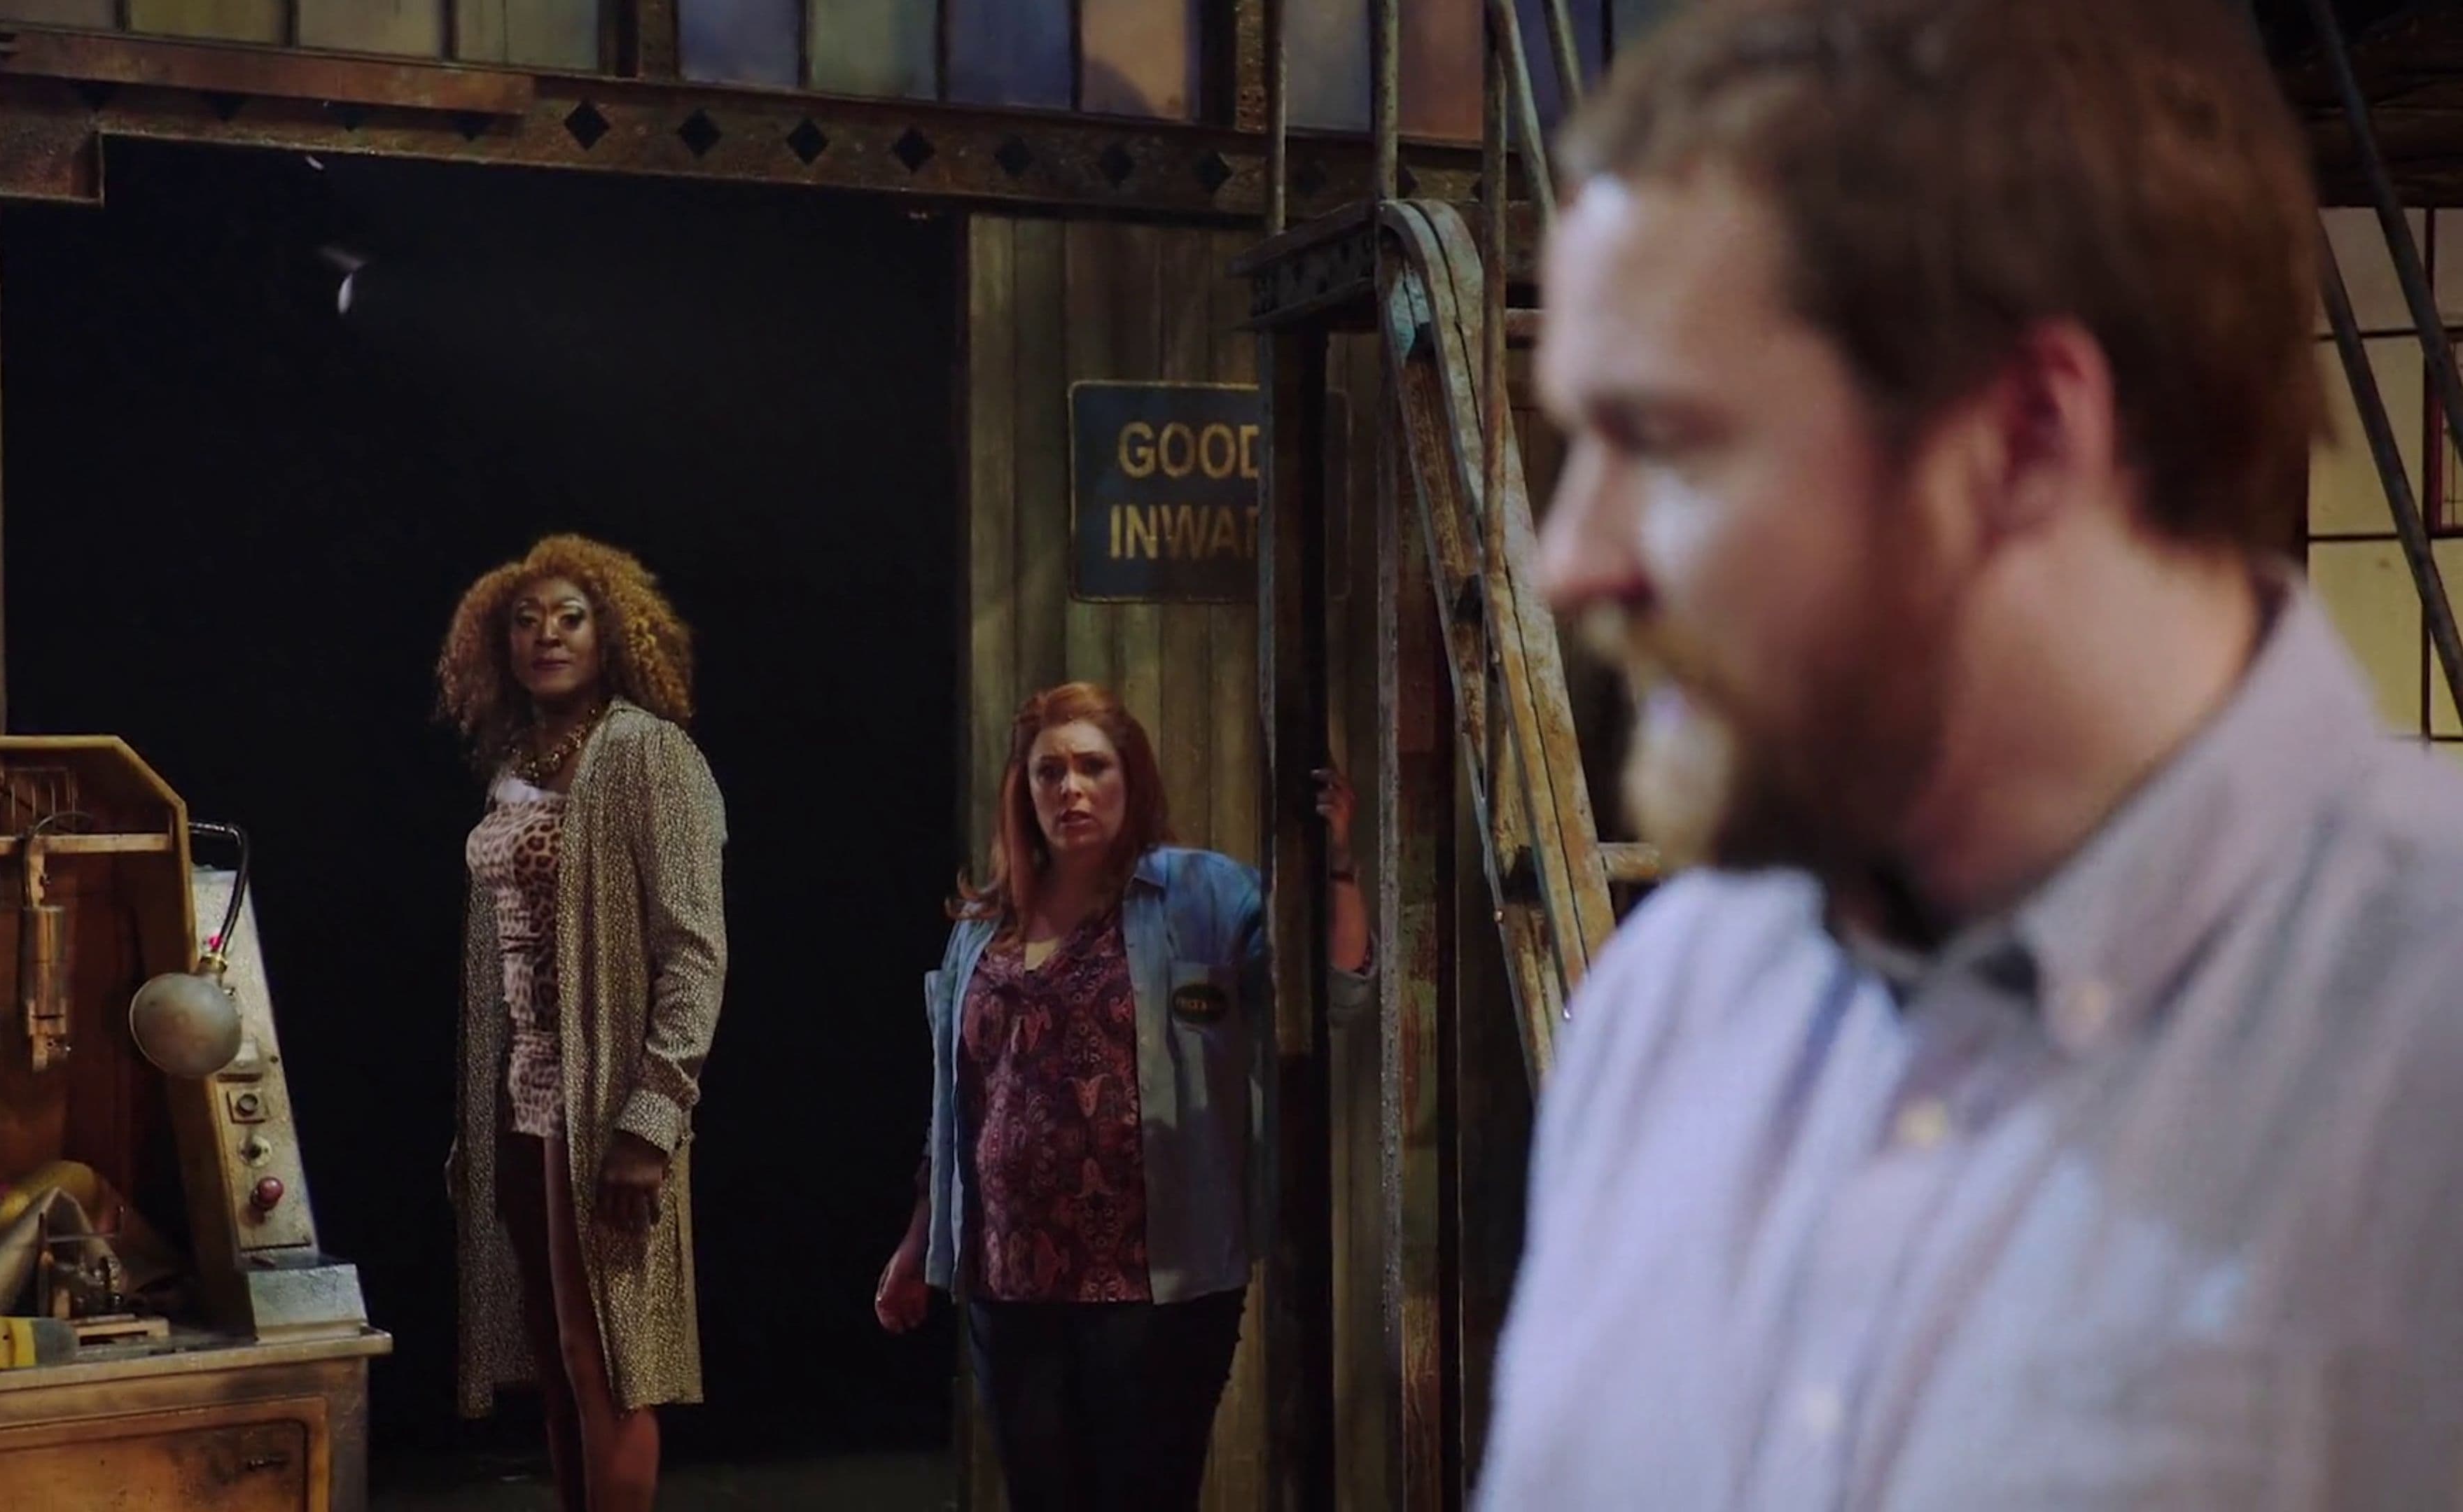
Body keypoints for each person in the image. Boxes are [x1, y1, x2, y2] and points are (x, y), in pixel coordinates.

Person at [1479, 0, 2463, 1505]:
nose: (1571, 561)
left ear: (2025, 436)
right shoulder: (1668, 1011)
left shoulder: (2424, 1050)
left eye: (1667, 442)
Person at [874, 682, 1373, 1510]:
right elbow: (957, 1102)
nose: (1070, 789)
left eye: (1092, 767)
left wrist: (1339, 867)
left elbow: (1337, 994)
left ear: (1129, 778)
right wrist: (920, 1241)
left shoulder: (1204, 896)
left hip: (1157, 1285)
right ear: (1024, 790)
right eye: (1050, 772)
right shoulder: (984, 925)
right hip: (1009, 1282)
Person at [439, 534, 728, 1512]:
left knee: (609, 1354)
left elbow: (694, 950)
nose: (547, 636)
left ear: (611, 634)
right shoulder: (516, 765)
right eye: (526, 621)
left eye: (570, 617)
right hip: (524, 1086)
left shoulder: (649, 754)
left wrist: (654, 1117)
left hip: (604, 1092)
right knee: (557, 1355)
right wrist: (480, 1118)